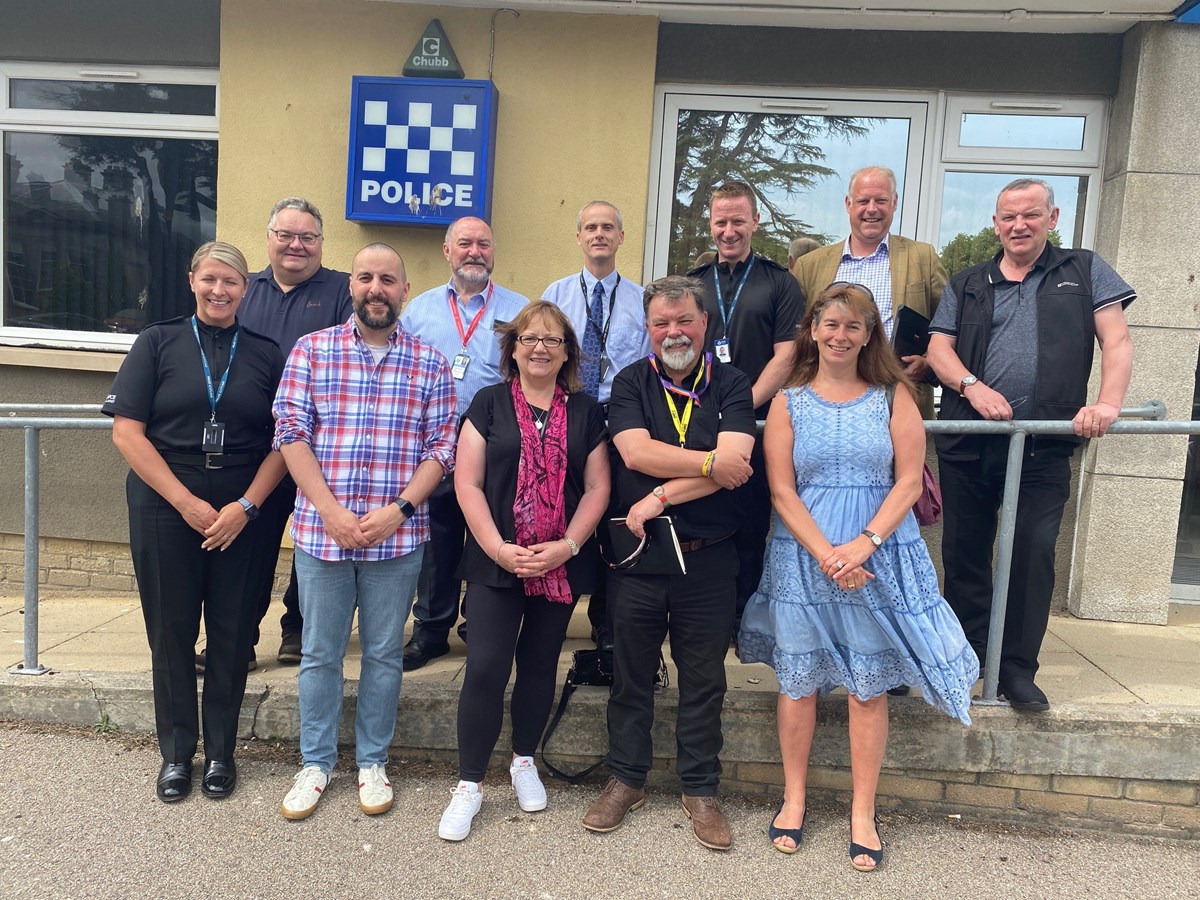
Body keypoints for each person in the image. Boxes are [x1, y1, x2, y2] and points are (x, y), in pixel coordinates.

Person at [738, 282, 978, 871]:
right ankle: (793, 799)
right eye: (830, 324)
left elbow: (909, 480)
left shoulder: (895, 395)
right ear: (812, 331)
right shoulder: (788, 401)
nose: (840, 335)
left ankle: (863, 810)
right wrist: (827, 553)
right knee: (798, 686)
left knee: (867, 689)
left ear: (870, 335)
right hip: (804, 555)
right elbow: (781, 489)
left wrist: (862, 545)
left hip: (879, 553)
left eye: (853, 326)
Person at [927, 178, 1135, 712]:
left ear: (1052, 217)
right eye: (1008, 217)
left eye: (1030, 215)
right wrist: (972, 387)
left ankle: (1017, 669)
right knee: (965, 554)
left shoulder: (1084, 271)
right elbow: (938, 350)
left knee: (1032, 554)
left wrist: (1107, 404)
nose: (1019, 225)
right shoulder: (968, 281)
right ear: (995, 224)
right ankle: (969, 662)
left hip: (1044, 446)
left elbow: (1116, 340)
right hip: (970, 444)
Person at [273, 243, 457, 820]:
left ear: (405, 291)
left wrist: (397, 510)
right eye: (366, 278)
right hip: (322, 534)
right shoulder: (312, 351)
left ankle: (372, 761)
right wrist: (329, 511)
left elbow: (442, 448)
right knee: (321, 654)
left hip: (396, 539)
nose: (377, 288)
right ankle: (316, 763)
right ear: (351, 286)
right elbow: (291, 433)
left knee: (383, 654)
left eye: (389, 279)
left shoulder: (429, 362)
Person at [103, 241, 288, 803]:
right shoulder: (156, 342)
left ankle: (222, 753)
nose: (219, 290)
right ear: (192, 281)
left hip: (243, 505)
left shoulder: (265, 352)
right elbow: (127, 433)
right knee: (172, 630)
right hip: (166, 501)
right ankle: (177, 754)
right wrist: (185, 502)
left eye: (231, 282)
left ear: (246, 289)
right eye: (210, 279)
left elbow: (286, 440)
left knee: (232, 636)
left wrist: (246, 507)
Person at [582, 276, 756, 852]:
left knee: (704, 679)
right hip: (638, 557)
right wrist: (710, 462)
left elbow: (741, 466)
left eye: (684, 320)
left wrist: (660, 494)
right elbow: (636, 452)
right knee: (631, 673)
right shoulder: (631, 381)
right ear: (649, 328)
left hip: (709, 561)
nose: (673, 332)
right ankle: (626, 778)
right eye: (661, 323)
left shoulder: (732, 384)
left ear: (705, 325)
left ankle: (700, 788)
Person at [438, 301, 610, 841]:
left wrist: (569, 544)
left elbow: (599, 486)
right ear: (512, 349)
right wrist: (495, 547)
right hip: (498, 561)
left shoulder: (585, 412)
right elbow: (467, 483)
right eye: (529, 338)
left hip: (558, 563)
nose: (540, 347)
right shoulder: (488, 405)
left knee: (538, 666)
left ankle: (523, 761)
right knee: (487, 665)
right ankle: (469, 784)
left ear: (567, 354)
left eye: (553, 340)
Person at [219, 197, 354, 669]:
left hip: (321, 445)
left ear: (320, 242)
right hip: (254, 444)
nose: (296, 245)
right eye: (286, 235)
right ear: (269, 238)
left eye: (308, 237)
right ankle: (238, 638)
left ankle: (296, 629)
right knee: (251, 541)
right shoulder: (243, 288)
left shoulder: (342, 291)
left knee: (312, 541)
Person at [400, 217, 530, 670]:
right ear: (447, 251)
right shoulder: (418, 309)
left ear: (493, 251)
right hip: (434, 437)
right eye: (465, 244)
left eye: (483, 244)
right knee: (437, 537)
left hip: (496, 440)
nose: (474, 251)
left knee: (488, 530)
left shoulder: (520, 311)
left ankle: (482, 624)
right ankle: (431, 629)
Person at [688, 181, 805, 626]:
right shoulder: (694, 284)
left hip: (757, 424)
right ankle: (703, 614)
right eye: (721, 221)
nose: (729, 230)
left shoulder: (780, 282)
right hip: (696, 420)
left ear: (755, 222)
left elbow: (787, 356)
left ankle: (746, 619)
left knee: (752, 523)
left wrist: (736, 408)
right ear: (711, 224)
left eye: (738, 220)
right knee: (702, 515)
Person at [541, 200, 648, 651]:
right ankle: (552, 605)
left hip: (620, 415)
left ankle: (605, 619)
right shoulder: (556, 294)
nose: (599, 234)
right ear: (579, 237)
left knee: (611, 516)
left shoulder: (641, 299)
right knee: (563, 506)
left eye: (608, 227)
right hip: (569, 411)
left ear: (621, 237)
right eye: (591, 227)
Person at [792, 166, 948, 419]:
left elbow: (948, 326)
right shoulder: (810, 265)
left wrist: (929, 361)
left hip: (898, 400)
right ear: (848, 204)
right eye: (863, 201)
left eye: (881, 200)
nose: (872, 209)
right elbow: (795, 333)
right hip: (823, 404)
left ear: (894, 203)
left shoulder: (923, 258)